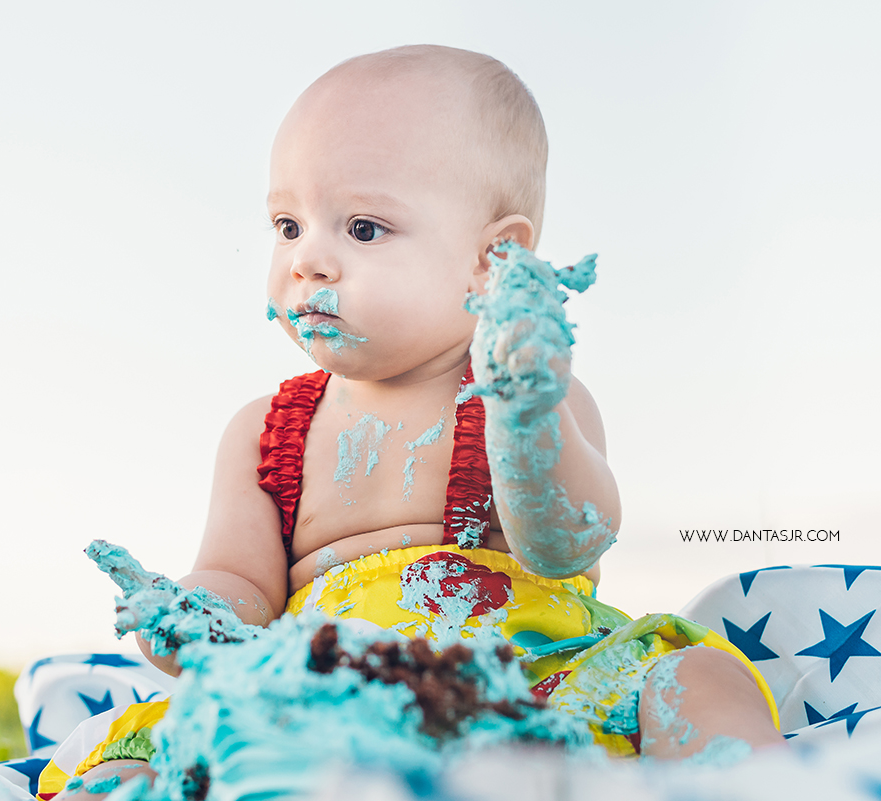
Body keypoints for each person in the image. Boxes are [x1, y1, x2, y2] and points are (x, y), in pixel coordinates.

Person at [42, 45, 783, 799]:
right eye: (288, 224)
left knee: (697, 674)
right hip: (323, 695)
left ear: (492, 261)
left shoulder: (527, 396)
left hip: (528, 680)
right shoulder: (266, 432)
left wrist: (525, 418)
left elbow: (569, 546)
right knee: (137, 741)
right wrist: (190, 617)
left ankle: (758, 786)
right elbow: (240, 581)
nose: (309, 261)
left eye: (362, 228)